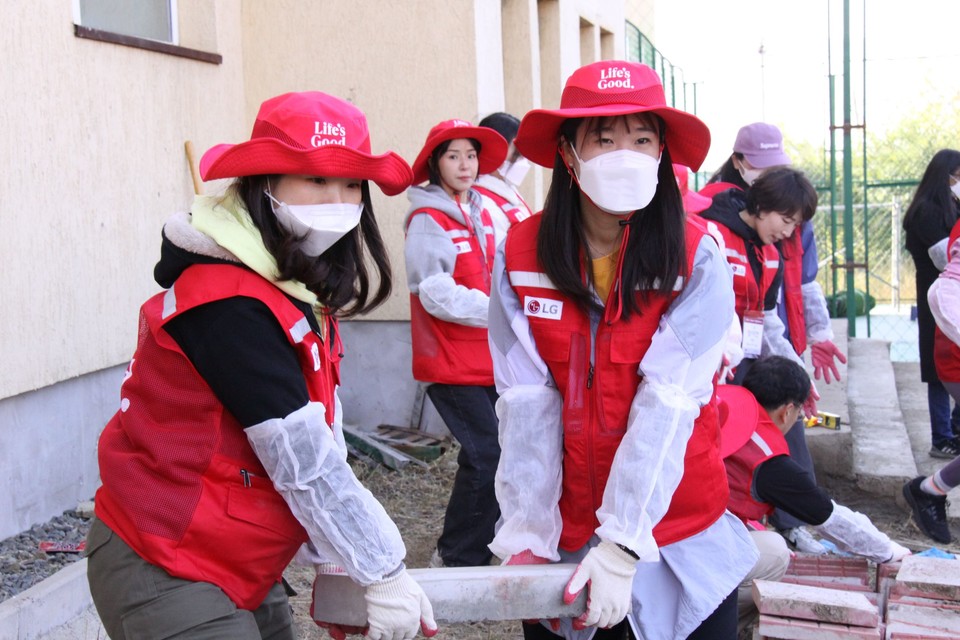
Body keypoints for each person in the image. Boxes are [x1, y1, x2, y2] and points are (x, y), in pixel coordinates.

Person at [84, 92, 436, 640]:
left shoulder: (288, 281)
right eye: (314, 180)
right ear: (264, 183)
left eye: (349, 185)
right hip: (165, 556)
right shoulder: (228, 301)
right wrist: (381, 569)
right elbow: (302, 457)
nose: (336, 199)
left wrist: (337, 556)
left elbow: (322, 430)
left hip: (242, 557)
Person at [489, 59, 757, 640]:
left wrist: (623, 544)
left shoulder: (696, 255)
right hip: (568, 528)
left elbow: (670, 399)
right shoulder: (520, 255)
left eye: (641, 140)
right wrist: (529, 536)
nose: (624, 155)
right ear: (567, 153)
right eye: (603, 140)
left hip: (679, 524)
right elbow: (526, 402)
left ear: (662, 152)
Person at [718, 356, 911, 631]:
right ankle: (715, 626)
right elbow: (829, 517)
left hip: (660, 536)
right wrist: (889, 551)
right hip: (684, 557)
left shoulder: (719, 404)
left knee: (755, 538)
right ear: (787, 412)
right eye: (798, 413)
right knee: (774, 552)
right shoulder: (768, 461)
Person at [698, 165, 829, 554]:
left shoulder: (769, 254)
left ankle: (792, 523)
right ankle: (719, 519)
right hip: (710, 365)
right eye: (785, 220)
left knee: (792, 418)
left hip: (749, 362)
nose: (788, 232)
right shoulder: (711, 235)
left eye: (795, 224)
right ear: (761, 204)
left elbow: (769, 322)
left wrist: (800, 376)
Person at [404, 118, 508, 569]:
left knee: (502, 452)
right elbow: (433, 290)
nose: (465, 165)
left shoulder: (484, 210)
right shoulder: (427, 219)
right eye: (453, 156)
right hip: (448, 363)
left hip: (487, 360)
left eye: (471, 154)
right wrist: (498, 309)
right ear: (435, 163)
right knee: (487, 453)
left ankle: (484, 545)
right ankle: (456, 556)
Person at [903, 148, 960, 459]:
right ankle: (942, 436)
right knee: (939, 369)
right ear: (945, 175)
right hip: (938, 297)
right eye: (958, 176)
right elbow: (944, 257)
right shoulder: (926, 212)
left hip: (954, 296)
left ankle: (955, 429)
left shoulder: (951, 207)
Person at [474, 112, 535, 244]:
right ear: (493, 151)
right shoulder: (482, 204)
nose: (523, 161)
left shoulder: (507, 191)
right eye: (517, 154)